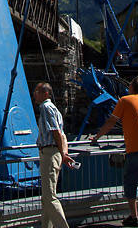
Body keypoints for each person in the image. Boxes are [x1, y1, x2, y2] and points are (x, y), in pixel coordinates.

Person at [92, 76, 138, 228]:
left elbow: (111, 121)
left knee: (131, 181)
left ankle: (133, 215)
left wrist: (97, 137)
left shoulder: (124, 100)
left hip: (137, 147)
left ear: (131, 87)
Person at [34, 81, 76, 228]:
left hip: (49, 153)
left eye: (37, 92)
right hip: (55, 153)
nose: (34, 95)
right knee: (46, 197)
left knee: (50, 197)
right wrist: (64, 153)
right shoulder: (55, 109)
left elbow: (56, 132)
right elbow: (62, 134)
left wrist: (61, 153)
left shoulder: (45, 107)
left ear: (45, 94)